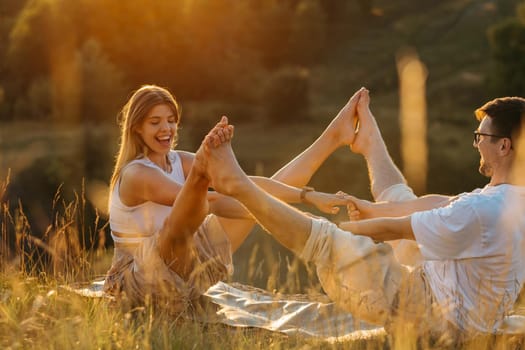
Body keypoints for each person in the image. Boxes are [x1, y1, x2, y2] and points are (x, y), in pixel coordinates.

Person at [191, 94, 525, 340]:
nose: (476, 143)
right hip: (457, 309)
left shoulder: (481, 211)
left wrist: (342, 223)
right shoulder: (505, 201)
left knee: (327, 240)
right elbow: (438, 202)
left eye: (481, 137)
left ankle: (239, 186)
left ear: (504, 147)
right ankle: (369, 142)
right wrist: (373, 208)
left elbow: (390, 229)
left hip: (429, 315)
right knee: (402, 201)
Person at [103, 85, 357, 312]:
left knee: (246, 191)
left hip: (186, 268)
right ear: (136, 127)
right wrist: (282, 215)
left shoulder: (177, 160)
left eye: (171, 120)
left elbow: (246, 185)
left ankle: (333, 137)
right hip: (136, 278)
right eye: (155, 122)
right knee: (190, 212)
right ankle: (206, 169)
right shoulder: (137, 173)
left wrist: (307, 197)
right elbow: (208, 204)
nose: (166, 129)